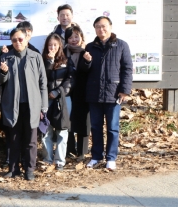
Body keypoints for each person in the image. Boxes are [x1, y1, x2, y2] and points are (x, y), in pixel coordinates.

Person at [82, 16, 133, 171]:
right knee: (96, 127)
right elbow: (84, 72)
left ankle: (111, 158)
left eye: (104, 26)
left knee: (112, 127)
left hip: (114, 93)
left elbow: (127, 69)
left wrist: (124, 90)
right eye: (98, 27)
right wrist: (86, 62)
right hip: (94, 93)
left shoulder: (121, 45)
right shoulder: (90, 47)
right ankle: (96, 156)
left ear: (110, 27)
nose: (101, 30)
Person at [0, 28, 47, 181]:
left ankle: (30, 169)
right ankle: (13, 169)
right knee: (13, 138)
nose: (17, 42)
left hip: (32, 105)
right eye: (14, 40)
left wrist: (43, 107)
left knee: (31, 140)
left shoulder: (36, 57)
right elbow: (0, 82)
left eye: (20, 39)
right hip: (13, 105)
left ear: (26, 39)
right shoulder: (6, 57)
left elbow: (43, 83)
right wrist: (3, 73)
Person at [41, 34, 73, 171]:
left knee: (62, 130)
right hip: (45, 99)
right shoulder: (42, 60)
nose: (52, 47)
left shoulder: (67, 60)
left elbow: (70, 80)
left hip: (63, 99)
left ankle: (60, 161)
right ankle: (47, 159)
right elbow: (42, 78)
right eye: (50, 45)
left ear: (60, 45)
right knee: (45, 130)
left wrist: (58, 92)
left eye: (55, 44)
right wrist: (50, 61)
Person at [64, 27, 91, 160]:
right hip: (66, 92)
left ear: (81, 37)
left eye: (76, 36)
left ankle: (82, 152)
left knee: (83, 122)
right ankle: (69, 149)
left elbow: (89, 70)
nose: (74, 40)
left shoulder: (87, 52)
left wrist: (87, 62)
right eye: (70, 37)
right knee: (67, 120)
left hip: (83, 92)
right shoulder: (62, 52)